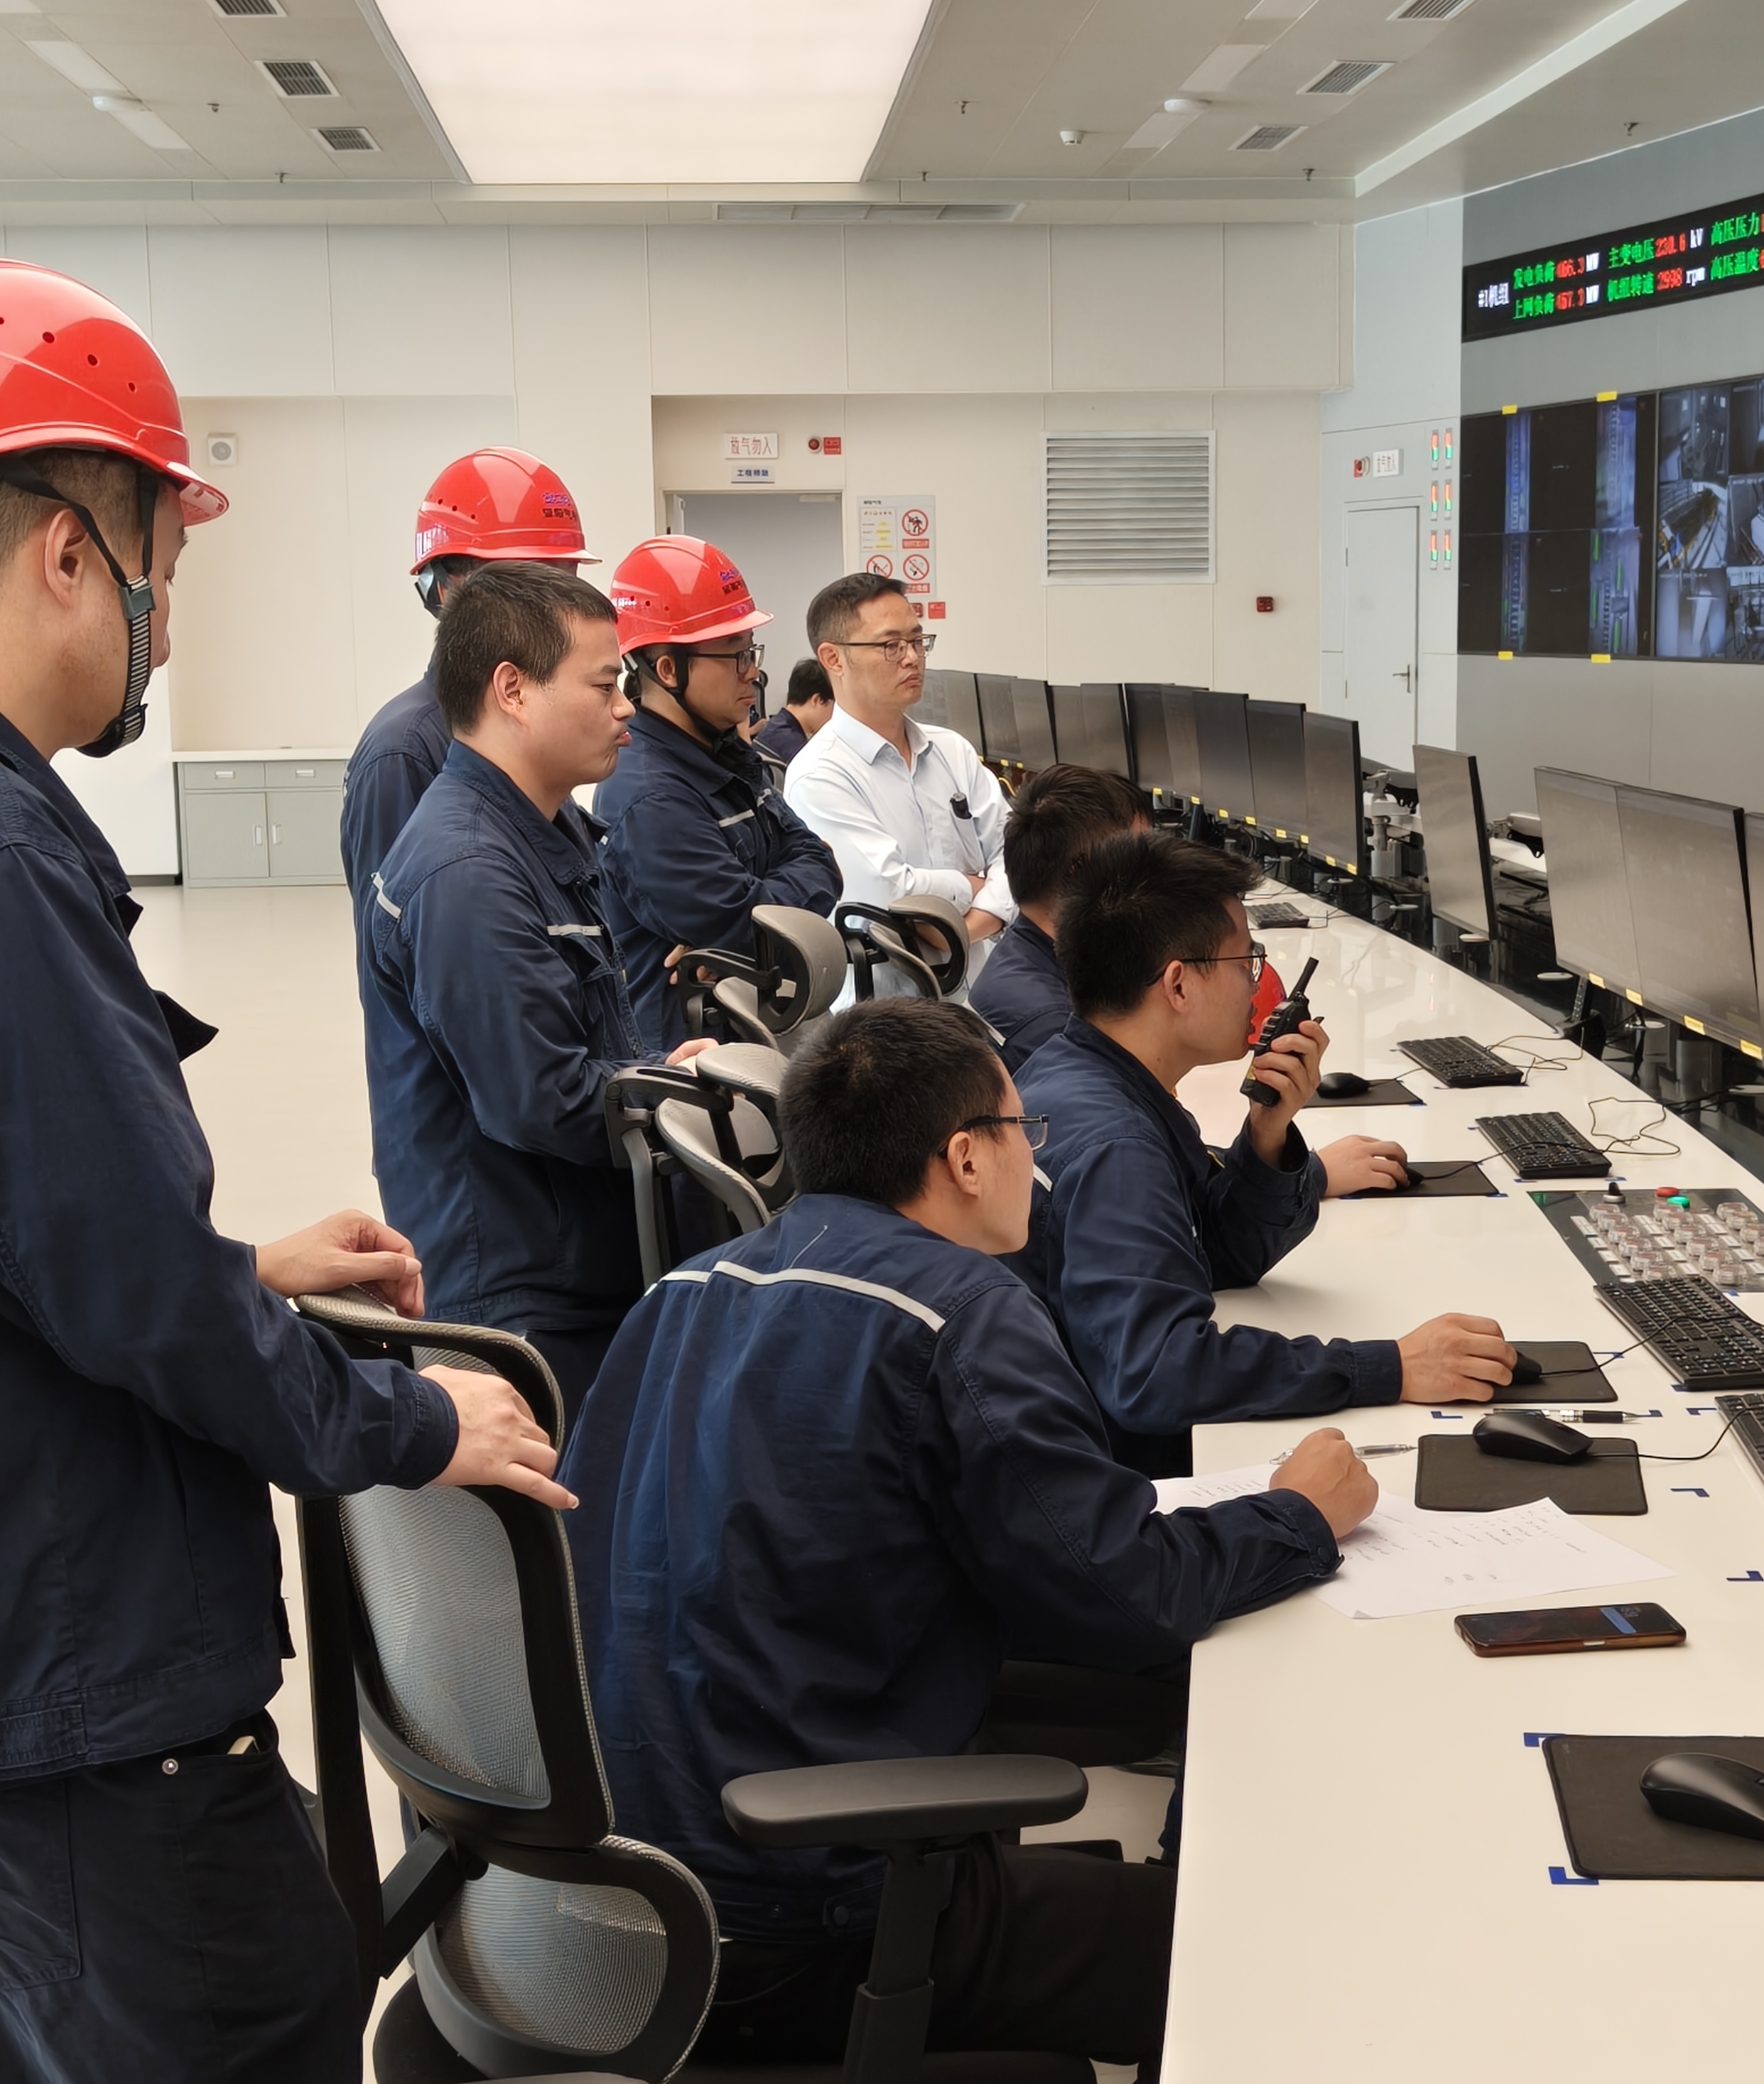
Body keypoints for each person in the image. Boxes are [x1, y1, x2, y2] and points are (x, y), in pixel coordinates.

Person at [0, 259, 573, 2084]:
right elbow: (115, 1280)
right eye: (163, 570)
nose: (165, 626)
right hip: (65, 1667)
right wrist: (407, 1423)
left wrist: (245, 1270)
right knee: (243, 2022)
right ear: (68, 551)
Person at [566, 999, 1373, 2071]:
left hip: (623, 1897)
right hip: (810, 1920)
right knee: (1275, 1954)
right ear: (965, 1158)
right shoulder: (959, 1311)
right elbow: (1127, 1594)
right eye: (1023, 1130)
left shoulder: (678, 1291)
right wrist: (1299, 1514)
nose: (1036, 1157)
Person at [1017, 830, 1522, 1472]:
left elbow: (1217, 1255)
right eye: (1245, 963)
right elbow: (1158, 1373)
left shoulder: (1079, 1072)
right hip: (1113, 1471)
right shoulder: (1118, 1149)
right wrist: (1392, 1367)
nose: (1259, 988)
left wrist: (1267, 1134)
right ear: (1178, 986)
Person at [363, 563, 713, 1419]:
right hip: (525, 1293)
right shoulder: (469, 873)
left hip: (572, 1255)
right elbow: (541, 1099)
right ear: (512, 690)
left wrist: (658, 1068)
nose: (626, 708)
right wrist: (674, 1089)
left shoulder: (544, 829)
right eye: (603, 685)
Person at [339, 449, 593, 990]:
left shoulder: (525, 721)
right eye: (534, 589)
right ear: (448, 590)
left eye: (565, 587)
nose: (559, 615)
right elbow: (399, 961)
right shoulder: (404, 751)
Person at [594, 537, 844, 1050]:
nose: (753, 671)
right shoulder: (649, 797)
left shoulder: (725, 753)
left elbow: (821, 862)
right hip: (697, 1061)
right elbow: (746, 926)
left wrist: (754, 925)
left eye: (751, 651)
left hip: (754, 1036)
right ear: (669, 670)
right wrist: (753, 931)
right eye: (735, 655)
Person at [781, 570, 1011, 947]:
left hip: (981, 976)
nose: (912, 658)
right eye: (891, 646)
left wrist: (970, 929)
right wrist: (976, 887)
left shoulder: (953, 750)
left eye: (917, 641)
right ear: (833, 658)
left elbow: (1016, 855)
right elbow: (888, 891)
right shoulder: (819, 775)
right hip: (892, 983)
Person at [973, 761, 1149, 1066]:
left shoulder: (1027, 958)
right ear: (1082, 874)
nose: (1154, 876)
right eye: (1141, 858)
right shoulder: (1060, 1030)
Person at [751, 652, 834, 769]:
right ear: (817, 700)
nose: (833, 715)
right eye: (833, 705)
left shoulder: (775, 727)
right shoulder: (797, 749)